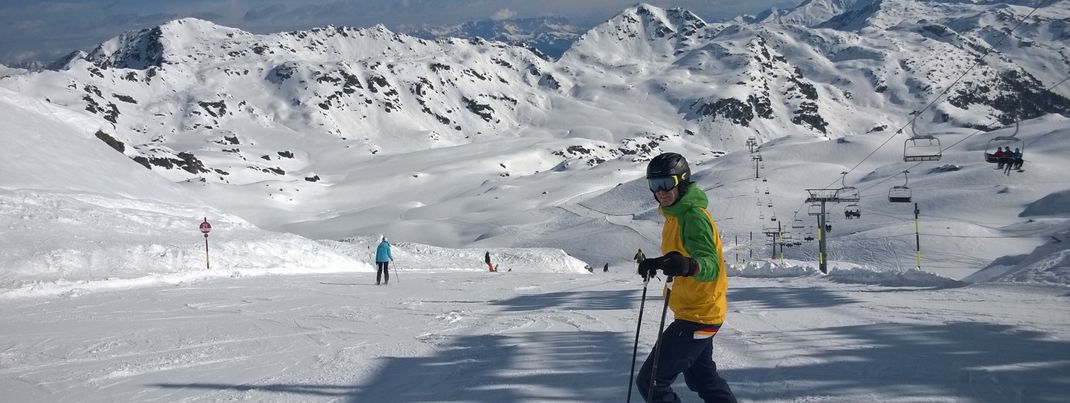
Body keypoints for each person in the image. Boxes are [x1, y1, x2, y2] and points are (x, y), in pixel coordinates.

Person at [636, 152, 737, 402]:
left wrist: (688, 266)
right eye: (654, 184)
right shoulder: (675, 215)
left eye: (666, 183)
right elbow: (678, 256)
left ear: (681, 181)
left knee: (651, 382)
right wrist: (656, 263)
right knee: (701, 378)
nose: (660, 191)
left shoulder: (692, 217)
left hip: (699, 316)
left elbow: (711, 265)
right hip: (696, 311)